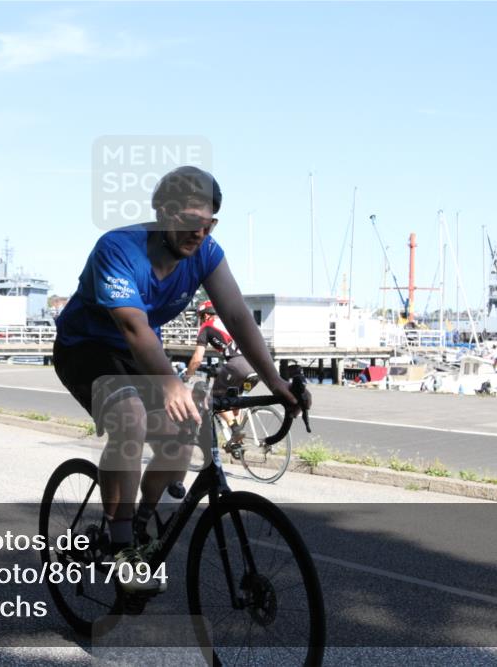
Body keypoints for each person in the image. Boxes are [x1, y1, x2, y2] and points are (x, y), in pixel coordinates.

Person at [53, 166, 309, 593]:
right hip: (87, 348)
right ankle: (120, 546)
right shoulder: (117, 248)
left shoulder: (206, 252)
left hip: (138, 350)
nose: (199, 232)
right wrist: (171, 385)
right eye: (190, 222)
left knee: (185, 428)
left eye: (208, 223)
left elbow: (239, 317)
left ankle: (137, 523)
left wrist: (276, 382)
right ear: (164, 213)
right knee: (130, 417)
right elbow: (133, 329)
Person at [185, 299, 258, 443]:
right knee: (234, 401)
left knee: (214, 400)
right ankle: (237, 444)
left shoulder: (206, 326)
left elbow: (197, 359)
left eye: (200, 316)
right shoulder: (228, 322)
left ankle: (235, 429)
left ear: (205, 316)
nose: (200, 320)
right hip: (256, 367)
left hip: (238, 366)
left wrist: (187, 376)